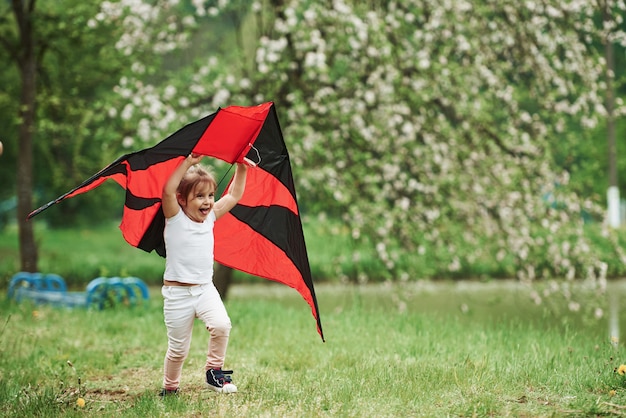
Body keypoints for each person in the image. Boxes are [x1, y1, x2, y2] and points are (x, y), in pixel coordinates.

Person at [159, 153, 248, 396]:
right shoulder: (174, 217)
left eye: (210, 195)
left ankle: (213, 373)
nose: (207, 202)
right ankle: (170, 387)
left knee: (221, 325)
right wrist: (187, 163)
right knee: (178, 350)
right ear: (182, 199)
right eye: (199, 196)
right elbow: (167, 191)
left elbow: (234, 195)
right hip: (177, 294)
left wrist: (241, 167)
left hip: (204, 289)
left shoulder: (210, 218)